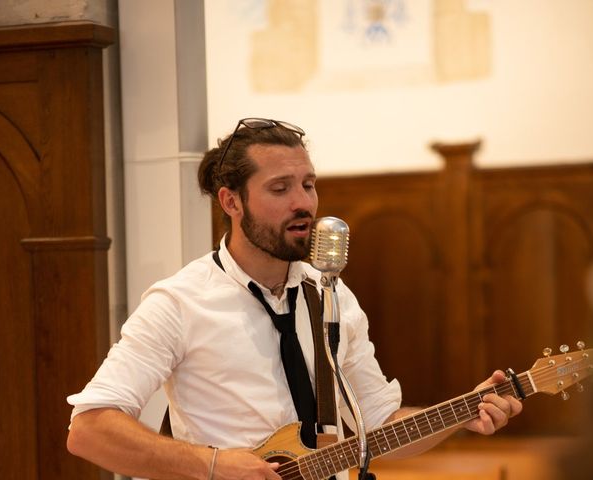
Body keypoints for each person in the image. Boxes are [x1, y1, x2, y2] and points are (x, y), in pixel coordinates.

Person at [66, 118, 522, 480]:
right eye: (280, 188)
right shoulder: (178, 303)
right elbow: (89, 430)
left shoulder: (331, 294)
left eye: (308, 184)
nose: (303, 203)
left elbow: (379, 425)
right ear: (231, 202)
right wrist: (212, 465)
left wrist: (463, 411)